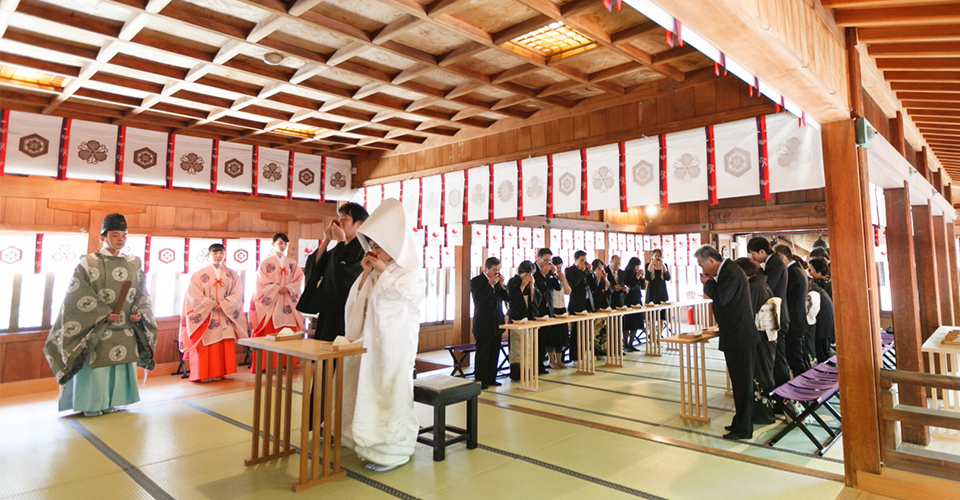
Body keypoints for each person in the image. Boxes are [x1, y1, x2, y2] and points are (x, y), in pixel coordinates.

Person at [44, 213, 157, 417]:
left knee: (120, 364)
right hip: (97, 327)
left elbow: (142, 292)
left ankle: (113, 401)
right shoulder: (88, 262)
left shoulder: (133, 263)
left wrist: (138, 313)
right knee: (96, 366)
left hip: (125, 327)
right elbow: (77, 294)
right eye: (115, 235)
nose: (121, 239)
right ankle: (91, 404)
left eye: (124, 235)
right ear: (102, 237)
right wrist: (103, 313)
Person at [342, 198, 425, 472]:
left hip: (395, 347)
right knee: (365, 390)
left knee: (390, 393)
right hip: (372, 344)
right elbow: (359, 304)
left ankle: (394, 451)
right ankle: (367, 447)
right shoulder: (381, 270)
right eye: (372, 246)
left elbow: (397, 302)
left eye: (378, 246)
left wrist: (382, 275)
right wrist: (367, 276)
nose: (374, 250)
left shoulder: (411, 272)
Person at [696, 245, 758, 440]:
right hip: (735, 334)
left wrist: (707, 283)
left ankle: (744, 428)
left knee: (743, 384)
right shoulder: (728, 270)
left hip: (739, 335)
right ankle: (740, 422)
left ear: (712, 261)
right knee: (739, 383)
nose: (702, 270)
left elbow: (722, 298)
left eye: (702, 265)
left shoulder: (730, 271)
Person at [297, 202, 368, 341]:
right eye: (339, 217)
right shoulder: (340, 247)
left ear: (358, 224)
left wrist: (340, 239)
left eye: (344, 218)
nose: (339, 221)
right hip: (329, 306)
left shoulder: (362, 248)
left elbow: (342, 272)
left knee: (339, 351)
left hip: (346, 307)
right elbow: (317, 265)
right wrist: (327, 240)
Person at [179, 243, 248, 382]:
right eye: (215, 253)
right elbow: (194, 295)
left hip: (224, 313)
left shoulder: (231, 274)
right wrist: (211, 304)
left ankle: (219, 372)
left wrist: (223, 304)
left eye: (221, 253)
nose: (218, 256)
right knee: (206, 344)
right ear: (208, 255)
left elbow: (237, 293)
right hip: (206, 315)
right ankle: (203, 374)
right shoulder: (199, 275)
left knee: (222, 343)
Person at [248, 233, 304, 372]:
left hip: (287, 301)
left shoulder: (292, 263)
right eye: (280, 243)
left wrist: (289, 288)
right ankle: (268, 364)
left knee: (286, 331)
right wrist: (277, 288)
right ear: (273, 245)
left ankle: (286, 363)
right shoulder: (265, 263)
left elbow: (298, 278)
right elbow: (260, 283)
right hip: (271, 302)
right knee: (269, 331)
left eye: (285, 243)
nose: (283, 246)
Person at [735, 258, 776, 424]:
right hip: (765, 335)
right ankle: (762, 412)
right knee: (763, 372)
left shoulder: (755, 287)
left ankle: (762, 414)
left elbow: (748, 314)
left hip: (760, 336)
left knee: (760, 373)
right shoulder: (760, 284)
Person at [747, 236, 790, 387]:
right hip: (775, 314)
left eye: (753, 254)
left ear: (761, 251)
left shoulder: (776, 262)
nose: (751, 258)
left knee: (778, 359)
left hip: (777, 316)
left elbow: (768, 285)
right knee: (775, 358)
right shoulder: (773, 261)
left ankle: (783, 396)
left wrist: (756, 269)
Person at [470, 257, 508, 389]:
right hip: (483, 322)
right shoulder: (476, 281)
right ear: (486, 269)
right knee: (483, 353)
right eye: (494, 270)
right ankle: (480, 380)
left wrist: (502, 286)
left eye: (498, 270)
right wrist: (490, 284)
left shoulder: (498, 281)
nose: (496, 273)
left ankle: (492, 378)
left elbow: (506, 298)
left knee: (494, 352)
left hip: (497, 322)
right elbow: (478, 300)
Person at [775, 244, 810, 378]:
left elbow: (785, 293)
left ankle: (803, 390)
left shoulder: (793, 272)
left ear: (782, 256)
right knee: (797, 357)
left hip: (795, 321)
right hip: (798, 319)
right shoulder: (798, 269)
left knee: (796, 360)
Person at [532, 248, 562, 372]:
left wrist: (554, 275)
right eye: (545, 260)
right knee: (536, 339)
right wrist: (543, 274)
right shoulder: (532, 270)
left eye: (549, 260)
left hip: (548, 308)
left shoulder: (549, 270)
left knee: (544, 338)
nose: (547, 263)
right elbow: (537, 287)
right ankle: (536, 365)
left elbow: (558, 287)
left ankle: (541, 365)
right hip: (536, 308)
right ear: (538, 258)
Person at [565, 250, 596, 362]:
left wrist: (590, 272)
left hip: (587, 302)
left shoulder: (585, 271)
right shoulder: (569, 270)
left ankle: (586, 353)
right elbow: (573, 283)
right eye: (582, 260)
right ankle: (574, 356)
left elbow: (593, 285)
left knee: (587, 330)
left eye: (585, 260)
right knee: (575, 332)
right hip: (576, 303)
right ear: (575, 260)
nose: (584, 262)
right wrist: (581, 271)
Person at [544, 256, 571, 369]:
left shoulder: (561, 277)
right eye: (557, 268)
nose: (559, 270)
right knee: (552, 336)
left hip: (562, 308)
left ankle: (559, 360)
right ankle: (551, 360)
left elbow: (567, 291)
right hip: (552, 309)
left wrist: (563, 279)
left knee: (561, 336)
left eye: (560, 268)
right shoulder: (549, 278)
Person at [622, 257, 646, 352]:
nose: (637, 268)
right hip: (628, 300)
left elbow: (643, 287)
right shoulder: (626, 274)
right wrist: (636, 277)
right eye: (637, 265)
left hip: (637, 300)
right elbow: (630, 287)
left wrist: (641, 278)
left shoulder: (637, 274)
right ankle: (625, 343)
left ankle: (631, 343)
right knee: (628, 323)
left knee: (636, 322)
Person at [591, 259, 611, 357]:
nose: (601, 270)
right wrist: (597, 279)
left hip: (604, 307)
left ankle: (603, 351)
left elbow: (609, 292)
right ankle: (595, 352)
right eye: (599, 268)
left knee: (604, 332)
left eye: (602, 268)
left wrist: (606, 280)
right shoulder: (592, 279)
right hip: (596, 308)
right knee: (595, 333)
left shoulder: (603, 279)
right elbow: (593, 291)